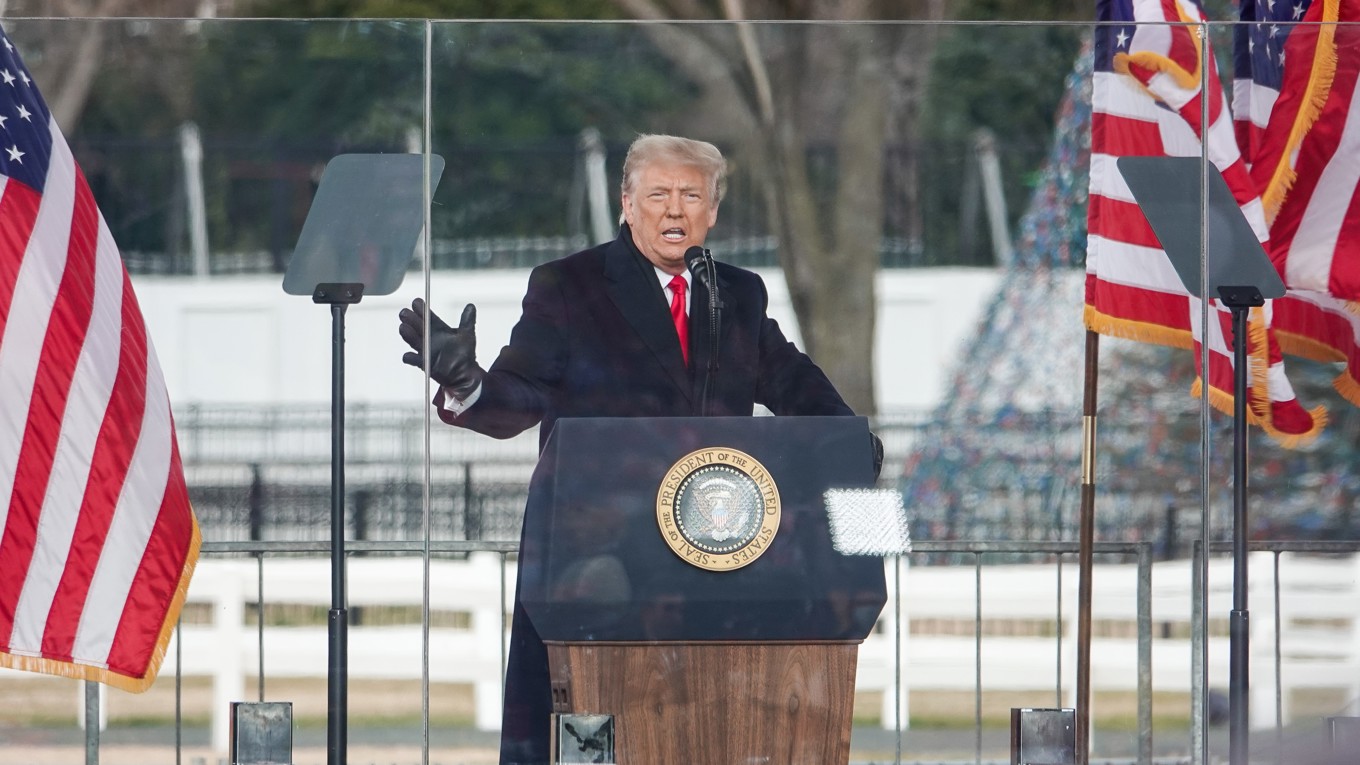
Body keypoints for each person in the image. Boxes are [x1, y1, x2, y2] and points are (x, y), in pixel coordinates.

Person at [398, 133, 877, 765]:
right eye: (657, 194)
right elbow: (522, 394)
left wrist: (848, 445)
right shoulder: (570, 286)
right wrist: (469, 384)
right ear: (626, 204)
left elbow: (792, 381)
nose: (673, 210)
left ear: (712, 212)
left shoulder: (737, 295)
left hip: (718, 559)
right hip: (597, 560)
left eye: (690, 196)